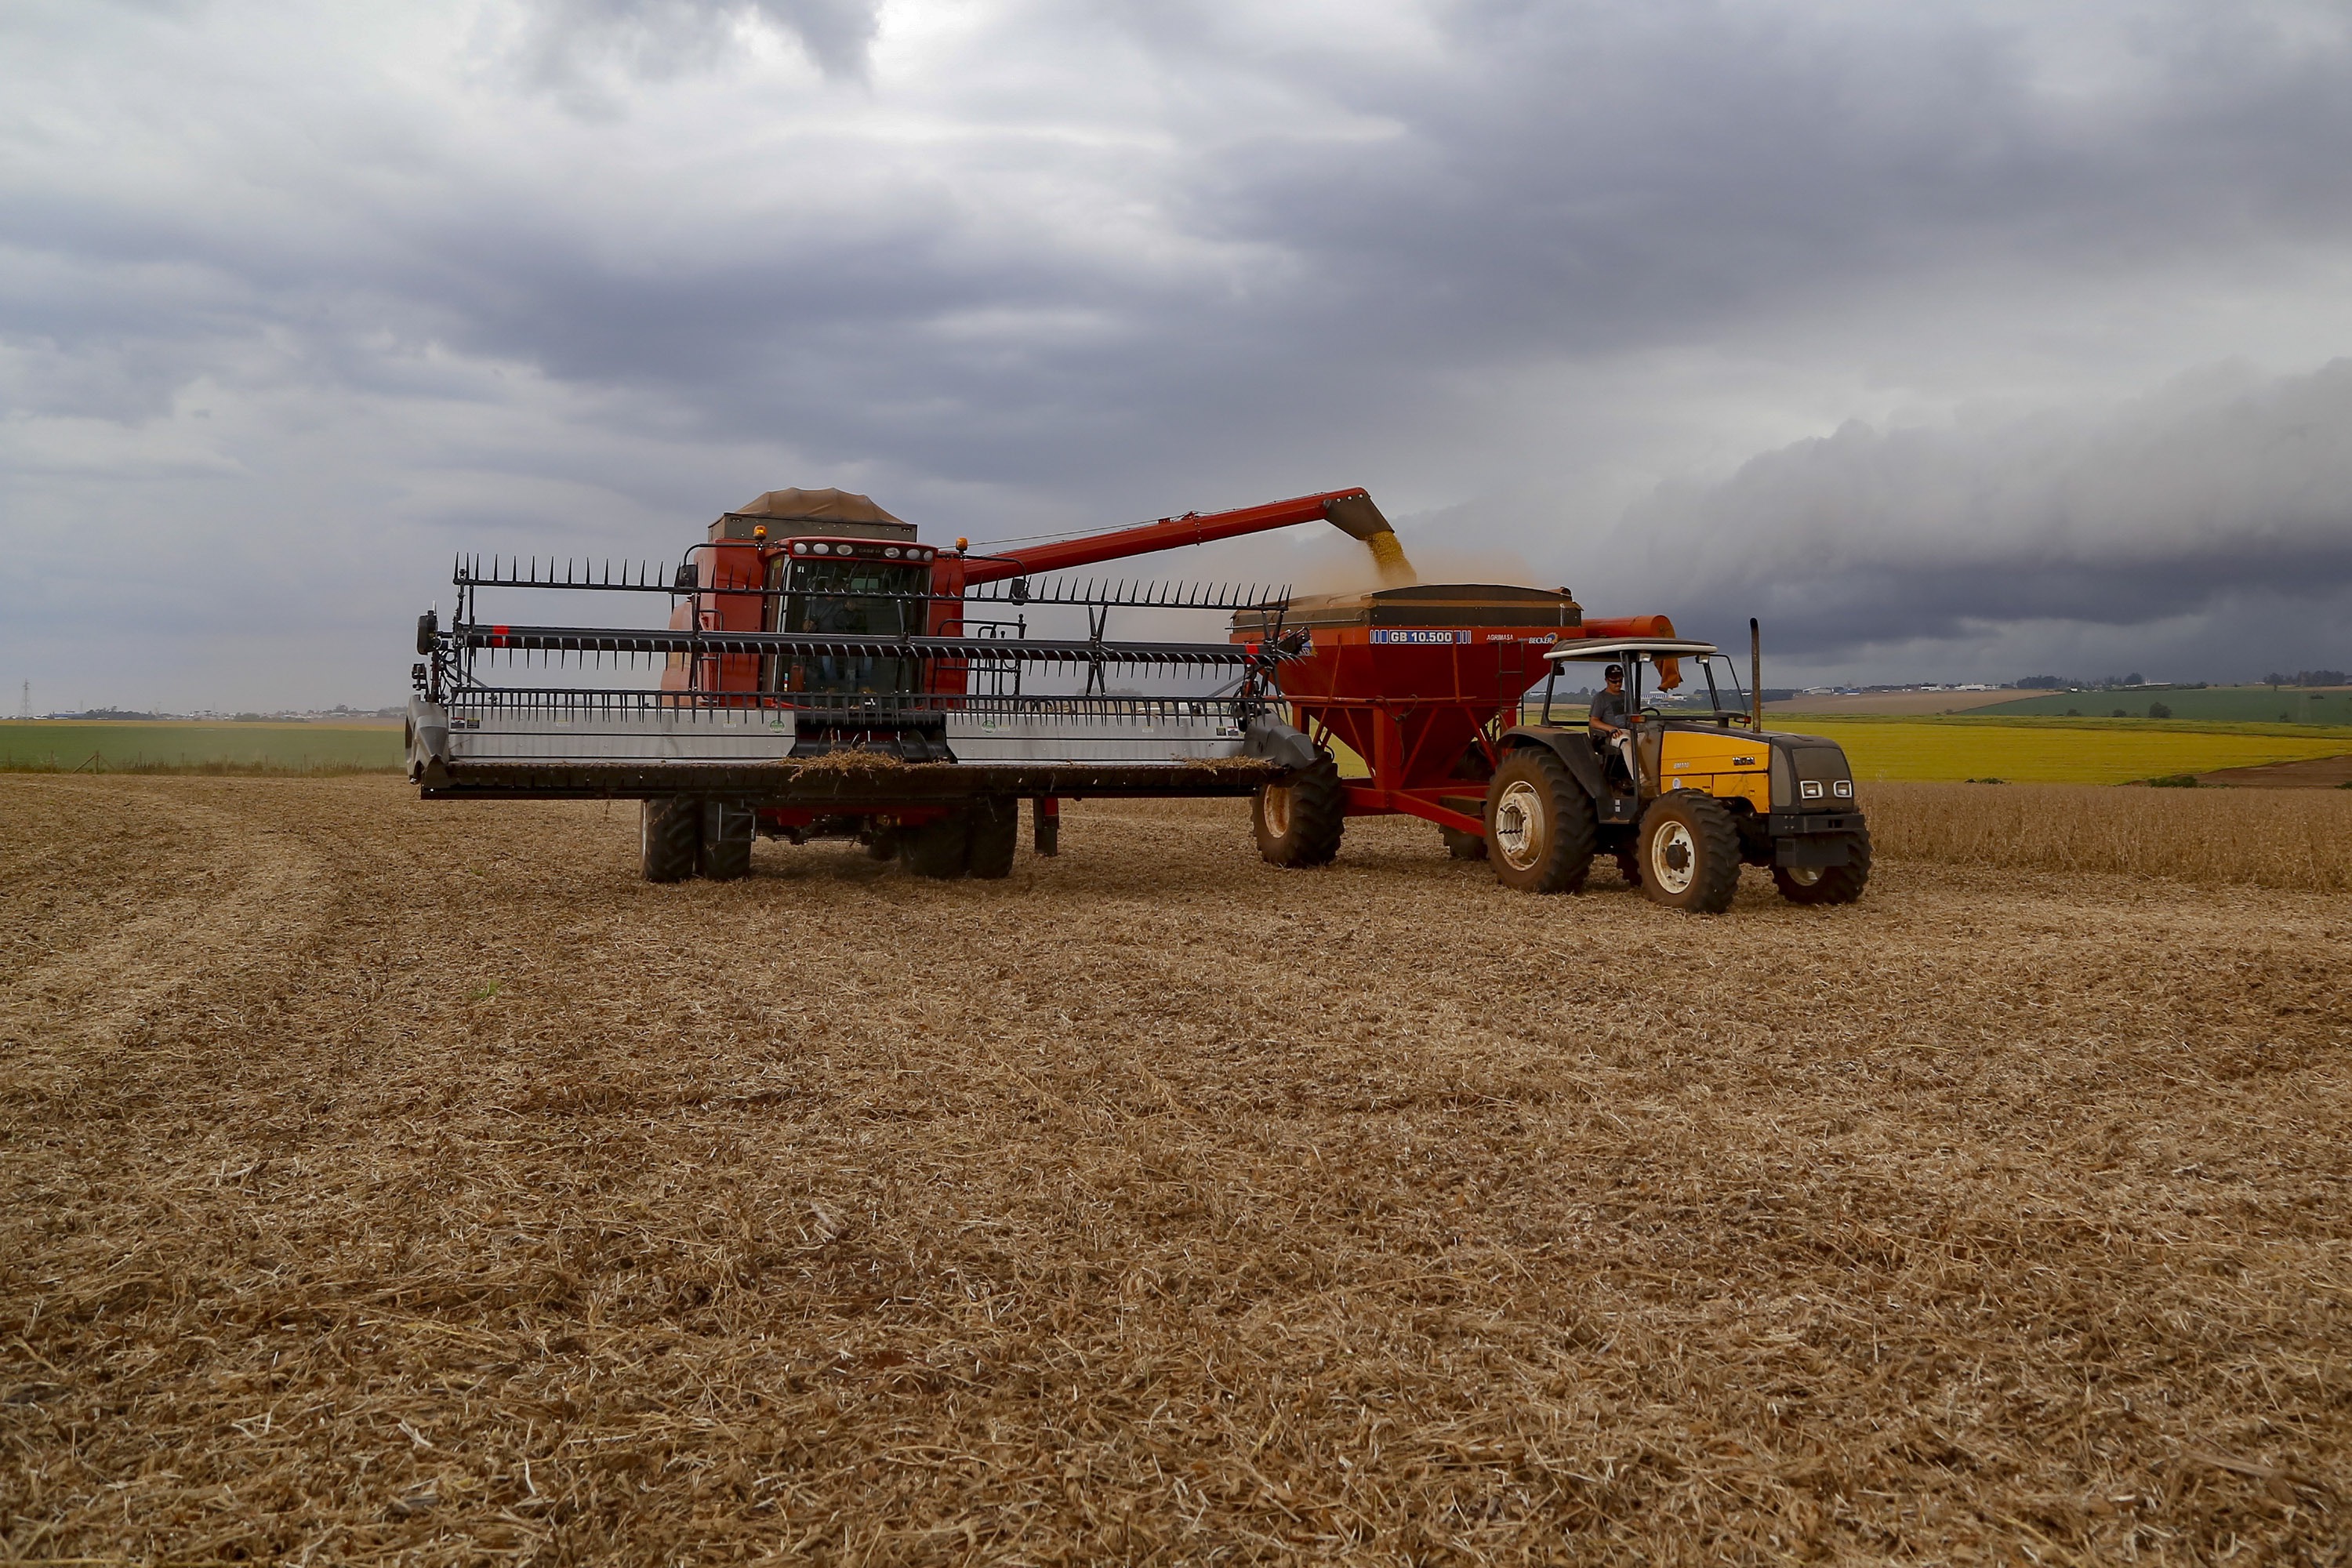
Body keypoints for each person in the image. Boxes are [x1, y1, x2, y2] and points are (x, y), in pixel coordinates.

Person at [1587, 663, 1638, 787]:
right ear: (1607, 680)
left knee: (1649, 741)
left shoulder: (1626, 696)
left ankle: (1653, 778)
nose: (1618, 684)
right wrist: (1611, 729)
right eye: (1614, 681)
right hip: (1610, 735)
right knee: (1627, 744)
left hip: (1630, 730)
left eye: (1620, 681)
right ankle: (1639, 780)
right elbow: (1593, 721)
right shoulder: (1601, 698)